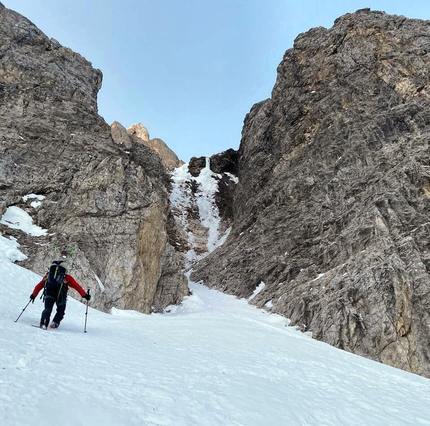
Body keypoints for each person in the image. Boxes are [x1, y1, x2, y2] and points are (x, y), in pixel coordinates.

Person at [30, 260, 91, 329]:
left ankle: (43, 323)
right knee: (60, 311)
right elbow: (76, 286)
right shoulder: (67, 277)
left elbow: (39, 286)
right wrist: (84, 295)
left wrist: (33, 295)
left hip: (49, 294)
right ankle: (54, 323)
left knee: (47, 309)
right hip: (61, 296)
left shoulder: (48, 275)